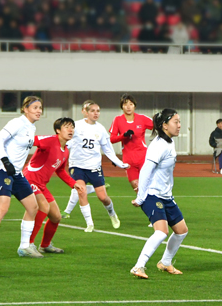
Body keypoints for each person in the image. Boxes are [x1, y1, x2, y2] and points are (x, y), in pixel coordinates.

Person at [0, 96, 42, 262]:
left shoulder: (31, 127)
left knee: (33, 207)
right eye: (35, 107)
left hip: (16, 173)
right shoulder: (17, 123)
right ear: (25, 109)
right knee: (3, 208)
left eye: (40, 108)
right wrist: (5, 160)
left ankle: (24, 246)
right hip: (1, 170)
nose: (39, 111)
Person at [130, 108, 187, 279]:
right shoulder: (158, 145)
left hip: (166, 195)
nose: (179, 125)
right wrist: (141, 197)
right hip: (152, 194)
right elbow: (146, 170)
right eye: (175, 122)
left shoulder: (169, 141)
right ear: (164, 125)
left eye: (179, 121)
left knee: (181, 231)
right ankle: (138, 266)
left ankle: (165, 262)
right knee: (161, 232)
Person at [22, 118, 86, 255]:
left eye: (72, 127)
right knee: (43, 207)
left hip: (41, 184)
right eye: (67, 127)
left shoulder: (65, 150)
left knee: (56, 216)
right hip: (30, 180)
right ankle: (28, 245)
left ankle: (45, 245)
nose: (71, 130)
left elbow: (61, 170)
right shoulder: (50, 140)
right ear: (58, 130)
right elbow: (30, 141)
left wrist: (73, 183)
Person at [64, 100, 129, 232]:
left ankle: (112, 213)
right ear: (86, 112)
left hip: (94, 167)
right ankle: (89, 224)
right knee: (81, 191)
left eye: (98, 111)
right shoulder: (76, 126)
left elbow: (108, 149)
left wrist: (120, 163)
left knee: (103, 197)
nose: (96, 113)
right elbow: (67, 142)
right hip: (77, 166)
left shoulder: (100, 129)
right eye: (92, 111)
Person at [108, 94, 153, 192]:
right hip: (129, 160)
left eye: (131, 104)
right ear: (122, 106)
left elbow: (157, 126)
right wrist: (124, 135)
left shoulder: (142, 118)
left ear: (134, 106)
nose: (128, 107)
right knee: (137, 189)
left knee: (147, 188)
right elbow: (112, 139)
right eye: (125, 104)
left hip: (143, 158)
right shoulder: (118, 120)